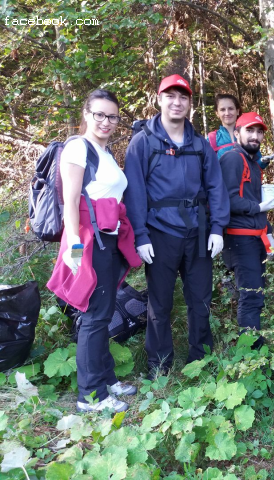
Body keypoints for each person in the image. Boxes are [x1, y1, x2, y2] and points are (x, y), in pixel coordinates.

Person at [124, 74, 230, 379]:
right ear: (159, 100)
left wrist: (218, 228)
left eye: (183, 97)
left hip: (197, 234)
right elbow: (134, 192)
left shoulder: (199, 144)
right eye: (170, 96)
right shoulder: (142, 142)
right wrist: (140, 235)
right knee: (160, 303)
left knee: (201, 300)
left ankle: (201, 359)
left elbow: (216, 187)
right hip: (159, 235)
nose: (177, 102)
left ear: (190, 104)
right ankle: (159, 366)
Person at [47, 89, 142, 413]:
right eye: (99, 114)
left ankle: (106, 379)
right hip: (89, 242)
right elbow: (70, 203)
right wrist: (74, 252)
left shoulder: (105, 151)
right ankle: (91, 396)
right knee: (94, 316)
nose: (105, 121)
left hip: (109, 240)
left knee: (103, 313)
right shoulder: (78, 148)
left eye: (112, 116)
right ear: (87, 114)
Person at [220, 112, 274, 347]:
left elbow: (249, 197)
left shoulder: (252, 162)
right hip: (239, 239)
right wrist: (259, 207)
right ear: (237, 133)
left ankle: (254, 346)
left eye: (259, 131)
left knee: (257, 294)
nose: (255, 136)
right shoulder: (233, 159)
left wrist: (268, 229)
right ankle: (251, 353)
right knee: (251, 295)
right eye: (249, 130)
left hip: (255, 238)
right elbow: (226, 200)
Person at [207, 94, 268, 167]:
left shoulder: (248, 134)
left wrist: (263, 162)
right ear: (217, 113)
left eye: (231, 109)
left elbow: (257, 164)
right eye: (222, 109)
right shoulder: (212, 138)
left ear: (237, 111)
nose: (227, 113)